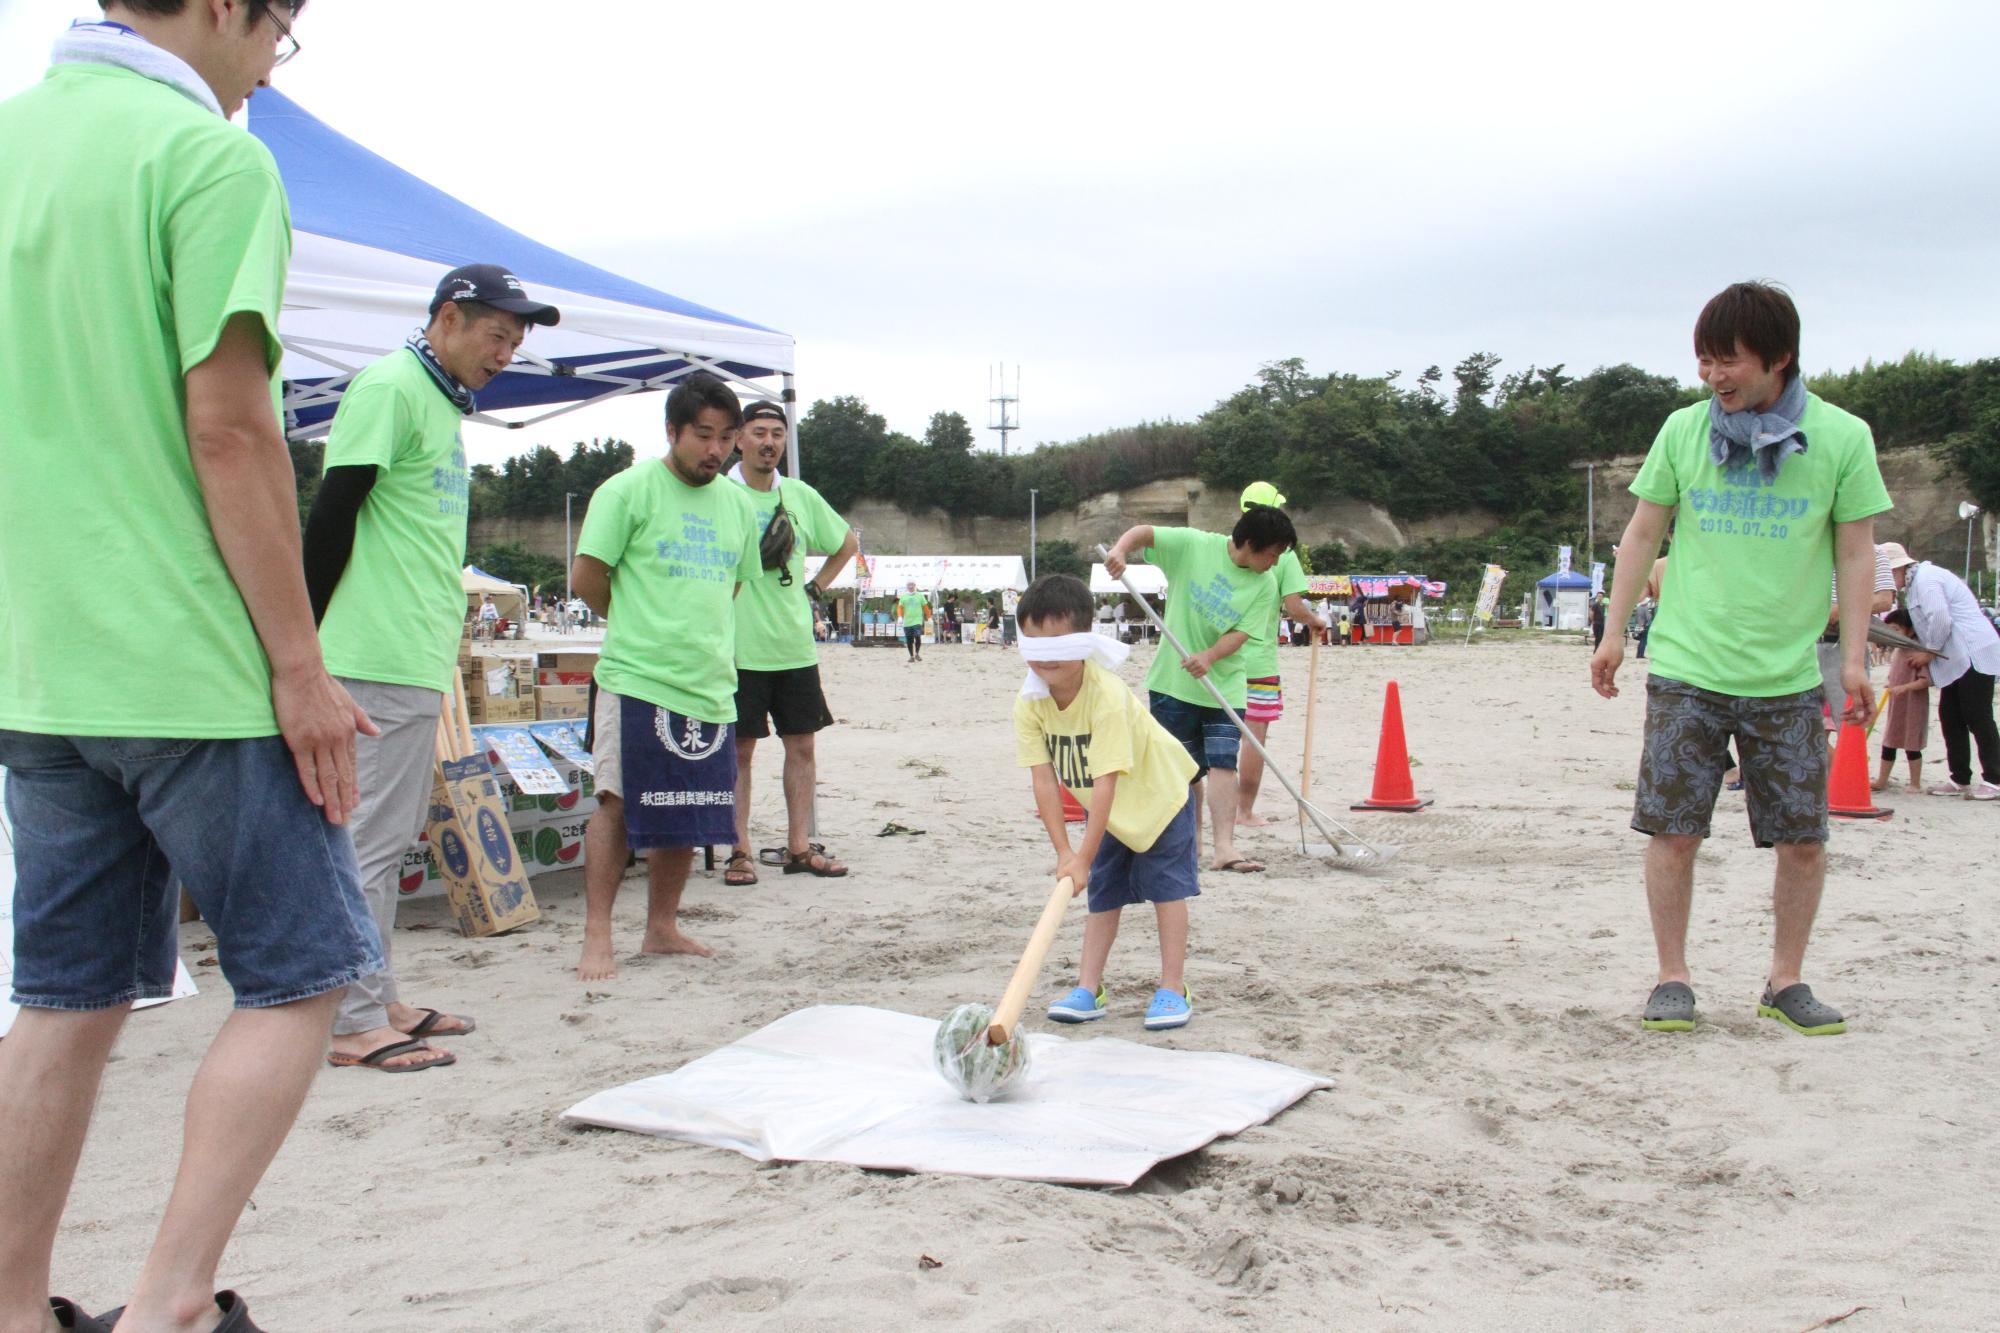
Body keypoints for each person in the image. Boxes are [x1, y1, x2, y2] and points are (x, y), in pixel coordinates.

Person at [0, 5, 387, 1331]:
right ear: (226, 8)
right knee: (300, 972)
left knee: (63, 998)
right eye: (279, 33)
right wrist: (298, 664)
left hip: (41, 661)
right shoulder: (208, 157)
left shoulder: (13, 142)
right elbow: (230, 433)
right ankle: (168, 1303)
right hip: (188, 654)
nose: (268, 66)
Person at [1591, 281, 1891, 1039]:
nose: (1713, 376)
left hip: (1787, 676)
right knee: (1673, 829)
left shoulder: (1843, 437)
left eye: (1730, 362)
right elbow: (1640, 534)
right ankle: (1672, 976)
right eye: (1704, 360)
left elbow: (1856, 553)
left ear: (1780, 357)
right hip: (1688, 667)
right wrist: (1614, 632)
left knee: (1803, 837)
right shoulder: (1683, 431)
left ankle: (1785, 980)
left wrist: (1853, 659)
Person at [305, 264, 559, 1073]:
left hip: (411, 653)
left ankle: (379, 995)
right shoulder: (388, 388)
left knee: (387, 838)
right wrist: (302, 648)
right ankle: (348, 1018)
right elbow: (332, 513)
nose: (506, 353)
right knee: (364, 845)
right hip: (368, 652)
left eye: (517, 343)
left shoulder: (437, 401)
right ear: (449, 317)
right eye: (497, 335)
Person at [570, 372, 761, 980]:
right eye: (703, 435)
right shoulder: (627, 491)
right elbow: (586, 577)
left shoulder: (737, 504)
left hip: (708, 681)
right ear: (673, 431)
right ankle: (597, 932)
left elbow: (732, 585)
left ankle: (661, 927)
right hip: (636, 677)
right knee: (618, 803)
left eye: (726, 437)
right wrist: (640, 623)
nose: (716, 450)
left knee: (688, 807)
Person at [1014, 576, 1200, 1030]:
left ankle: (1173, 986)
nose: (1045, 656)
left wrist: (1084, 855)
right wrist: (1066, 854)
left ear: (1084, 640)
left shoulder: (1107, 697)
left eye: (1058, 643)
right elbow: (1044, 780)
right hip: (1111, 817)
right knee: (1103, 893)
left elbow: (1105, 783)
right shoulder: (1030, 703)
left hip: (1160, 798)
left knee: (1167, 890)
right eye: (1033, 643)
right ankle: (1088, 987)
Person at [1103, 507, 1295, 875]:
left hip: (1225, 686)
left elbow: (1241, 633)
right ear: (1250, 544)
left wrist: (1210, 655)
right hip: (1172, 684)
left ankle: (1225, 848)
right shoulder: (1194, 545)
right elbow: (1144, 532)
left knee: (1223, 762)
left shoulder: (1264, 584)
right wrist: (1120, 550)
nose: (1273, 563)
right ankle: (1190, 843)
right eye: (1271, 553)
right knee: (1184, 770)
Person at [723, 399, 857, 885]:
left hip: (794, 645)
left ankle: (799, 847)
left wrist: (816, 588)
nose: (768, 443)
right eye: (758, 433)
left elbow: (846, 542)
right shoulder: (720, 493)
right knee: (739, 750)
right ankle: (739, 850)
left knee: (801, 746)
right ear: (738, 438)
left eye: (777, 434)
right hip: (735, 647)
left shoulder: (799, 494)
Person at [1230, 483, 1326, 829]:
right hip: (1258, 661)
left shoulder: (1229, 547)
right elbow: (1294, 605)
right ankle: (1243, 811)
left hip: (1219, 660)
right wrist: (1314, 621)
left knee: (1217, 735)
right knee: (1254, 738)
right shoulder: (1283, 555)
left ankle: (1214, 810)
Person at [1884, 542, 2000, 798]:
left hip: (1972, 651)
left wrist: (1929, 651)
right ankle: (1959, 777)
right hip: (1952, 658)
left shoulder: (1927, 580)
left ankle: (1994, 778)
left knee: (1977, 715)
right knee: (1950, 716)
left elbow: (1940, 618)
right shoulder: (1914, 587)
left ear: (1900, 569)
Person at [1873, 608, 1931, 792]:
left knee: (1911, 744)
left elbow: (1926, 680)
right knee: (1889, 741)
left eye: (1896, 629)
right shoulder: (1899, 650)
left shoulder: (1916, 651)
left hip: (1913, 705)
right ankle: (1882, 780)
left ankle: (1915, 783)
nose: (1892, 633)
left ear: (1910, 630)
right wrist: (1891, 682)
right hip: (1896, 705)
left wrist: (1903, 688)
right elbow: (1896, 674)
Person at [897, 580, 929, 662]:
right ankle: (911, 656)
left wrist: (929, 617)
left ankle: (917, 653)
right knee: (909, 639)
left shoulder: (920, 596)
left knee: (917, 636)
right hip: (907, 621)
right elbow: (900, 608)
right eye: (909, 585)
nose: (911, 586)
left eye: (912, 585)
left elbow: (925, 607)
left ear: (915, 586)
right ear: (907, 586)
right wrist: (900, 617)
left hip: (917, 620)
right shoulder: (903, 596)